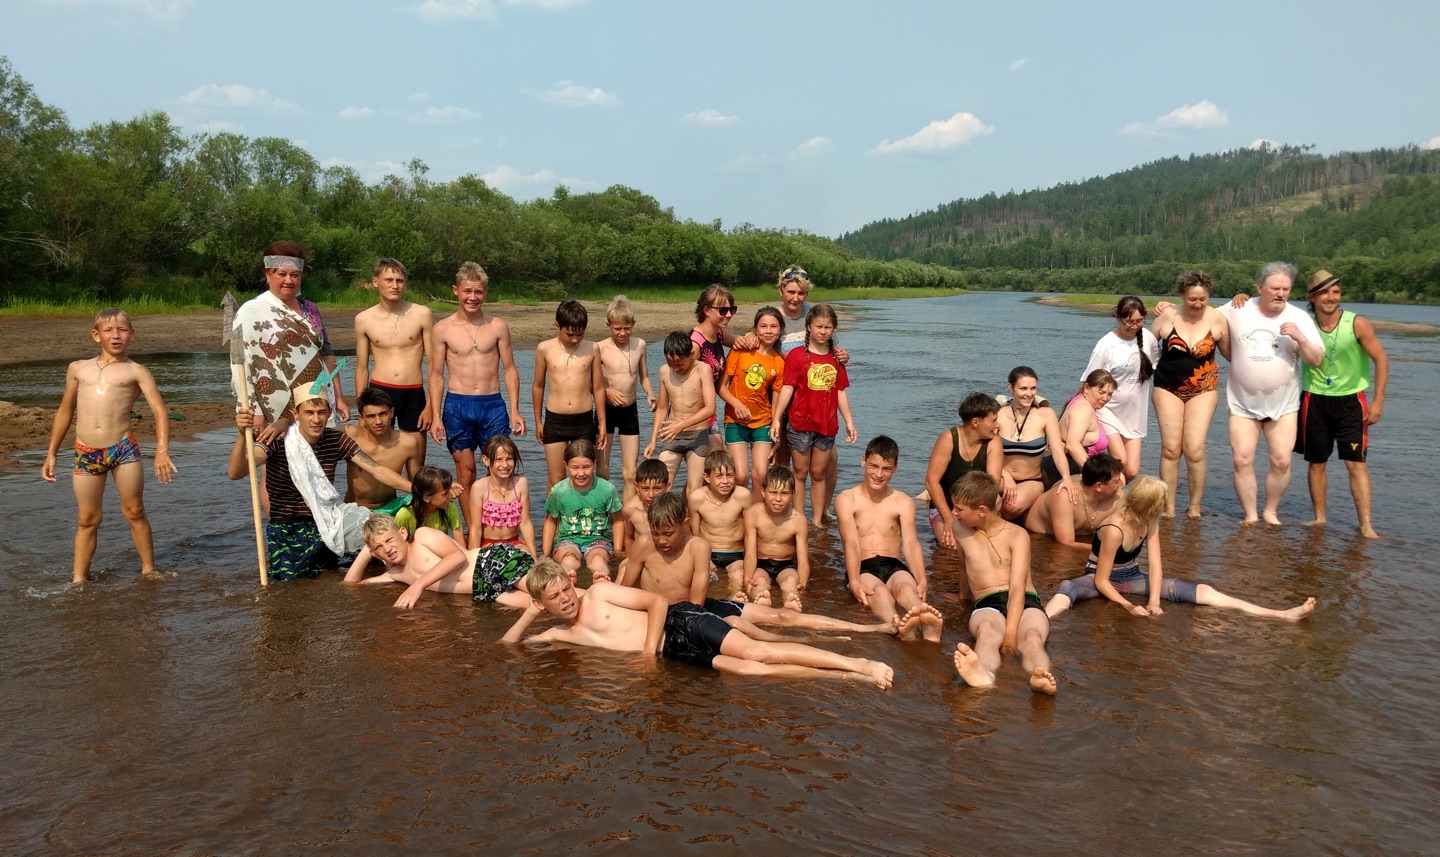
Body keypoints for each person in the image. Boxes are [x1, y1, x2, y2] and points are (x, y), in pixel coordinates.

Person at [500, 560, 895, 689]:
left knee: (759, 650)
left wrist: (647, 650)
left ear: (572, 581)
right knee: (749, 670)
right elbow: (507, 646)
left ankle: (856, 662)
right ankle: (849, 678)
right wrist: (532, 612)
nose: (565, 599)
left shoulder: (599, 595)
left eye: (564, 589)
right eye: (552, 599)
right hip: (672, 653)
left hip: (680, 623)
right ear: (543, 603)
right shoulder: (557, 632)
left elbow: (656, 601)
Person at [1232, 270, 1388, 537]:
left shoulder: (1356, 323)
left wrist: (1378, 401)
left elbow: (1381, 360)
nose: (1331, 297)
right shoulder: (1304, 320)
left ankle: (1366, 525)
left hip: (1351, 400)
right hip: (1313, 399)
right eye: (1325, 293)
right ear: (1312, 297)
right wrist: (1244, 299)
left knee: (1355, 463)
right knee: (1316, 462)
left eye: (1336, 292)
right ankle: (1320, 519)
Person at [1045, 476, 1317, 621]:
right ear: (1148, 504)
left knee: (1202, 591)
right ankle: (1040, 620)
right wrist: (1129, 608)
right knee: (1068, 589)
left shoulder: (1150, 520)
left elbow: (1157, 564)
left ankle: (1279, 615)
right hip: (1101, 579)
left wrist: (1153, 602)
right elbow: (1102, 581)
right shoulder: (1113, 529)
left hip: (1132, 577)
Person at [628, 492, 897, 636]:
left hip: (697, 611)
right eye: (656, 533)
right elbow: (626, 590)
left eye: (668, 533)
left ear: (684, 526)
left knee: (783, 616)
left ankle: (869, 628)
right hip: (670, 617)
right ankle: (805, 640)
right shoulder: (643, 545)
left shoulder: (697, 546)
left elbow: (697, 603)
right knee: (742, 627)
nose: (661, 540)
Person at [42, 308, 177, 585]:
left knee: (134, 511)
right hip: (85, 451)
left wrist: (161, 451)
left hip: (123, 449)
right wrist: (51, 453)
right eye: (108, 330)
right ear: (96, 335)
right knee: (87, 519)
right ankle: (79, 580)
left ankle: (148, 571)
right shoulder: (78, 369)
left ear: (132, 335)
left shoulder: (136, 371)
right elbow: (65, 411)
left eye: (122, 330)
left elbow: (160, 412)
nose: (116, 335)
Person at [229, 385, 412, 581]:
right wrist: (242, 435)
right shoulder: (278, 439)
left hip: (327, 521)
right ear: (296, 413)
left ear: (329, 413)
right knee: (292, 584)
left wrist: (418, 490)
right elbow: (236, 472)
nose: (316, 420)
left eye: (321, 412)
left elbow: (377, 469)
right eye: (309, 413)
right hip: (288, 527)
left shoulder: (335, 439)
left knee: (378, 539)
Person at [1217, 262, 1323, 524]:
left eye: (1286, 289)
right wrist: (1167, 308)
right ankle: (1251, 515)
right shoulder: (1238, 307)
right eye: (1275, 288)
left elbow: (1316, 359)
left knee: (1282, 461)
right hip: (1242, 402)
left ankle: (1270, 511)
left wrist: (1300, 337)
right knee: (1242, 459)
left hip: (1284, 404)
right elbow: (1202, 315)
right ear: (1259, 287)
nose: (1281, 293)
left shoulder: (1300, 317)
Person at [947, 473, 1056, 694]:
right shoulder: (959, 528)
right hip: (988, 601)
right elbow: (963, 566)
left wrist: (1010, 634)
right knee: (987, 633)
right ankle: (983, 673)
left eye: (959, 509)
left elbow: (1017, 586)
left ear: (982, 511)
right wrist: (963, 602)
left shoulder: (1017, 534)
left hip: (1025, 600)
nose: (953, 512)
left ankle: (1040, 676)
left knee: (1032, 639)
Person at [430, 261, 526, 511]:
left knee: (500, 466)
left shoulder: (497, 326)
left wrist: (515, 410)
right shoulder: (442, 329)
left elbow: (510, 369)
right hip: (457, 406)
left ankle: (498, 524)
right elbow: (436, 375)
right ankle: (473, 528)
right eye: (467, 291)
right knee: (466, 472)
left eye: (478, 292)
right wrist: (435, 417)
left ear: (485, 292)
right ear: (456, 290)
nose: (473, 297)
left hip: (492, 404)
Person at [232, 241, 348, 444]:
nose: (288, 280)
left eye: (294, 275)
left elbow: (327, 354)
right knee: (278, 463)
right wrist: (253, 411)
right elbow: (240, 365)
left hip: (317, 398)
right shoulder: (250, 312)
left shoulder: (310, 309)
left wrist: (338, 398)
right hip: (274, 404)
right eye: (281, 274)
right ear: (267, 274)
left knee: (322, 457)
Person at [836, 436, 944, 643]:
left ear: (895, 469)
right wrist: (854, 581)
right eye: (873, 466)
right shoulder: (847, 499)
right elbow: (851, 543)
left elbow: (911, 543)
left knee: (907, 589)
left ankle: (925, 621)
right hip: (863, 566)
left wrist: (922, 580)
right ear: (863, 461)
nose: (878, 474)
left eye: (886, 469)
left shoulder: (902, 501)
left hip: (894, 564)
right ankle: (897, 625)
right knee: (880, 593)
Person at [1150, 271, 1229, 518]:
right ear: (1182, 295)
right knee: (1171, 449)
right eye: (1192, 299)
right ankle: (1169, 508)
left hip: (1203, 390)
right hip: (1166, 388)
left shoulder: (1217, 318)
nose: (1197, 304)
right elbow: (1144, 349)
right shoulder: (1167, 315)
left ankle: (1195, 508)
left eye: (1202, 299)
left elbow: (1232, 355)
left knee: (1194, 449)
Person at [770, 304, 856, 527]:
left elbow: (840, 392)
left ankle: (817, 521)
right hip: (800, 423)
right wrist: (777, 419)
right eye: (819, 326)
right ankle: (799, 517)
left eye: (828, 327)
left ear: (833, 329)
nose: (823, 331)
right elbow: (787, 388)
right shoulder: (797, 356)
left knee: (818, 474)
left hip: (826, 426)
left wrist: (849, 422)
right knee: (800, 472)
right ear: (809, 327)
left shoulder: (837, 359)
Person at [345, 513, 532, 610]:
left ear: (402, 533)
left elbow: (457, 556)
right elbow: (351, 585)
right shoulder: (396, 574)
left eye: (389, 540)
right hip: (482, 590)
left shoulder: (421, 536)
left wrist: (417, 585)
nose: (387, 549)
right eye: (379, 548)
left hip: (490, 562)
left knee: (546, 591)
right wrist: (365, 552)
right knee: (540, 607)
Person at [353, 258, 436, 451]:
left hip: (413, 391)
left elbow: (434, 365)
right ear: (376, 282)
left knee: (415, 454)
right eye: (388, 280)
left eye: (399, 281)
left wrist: (431, 405)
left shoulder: (422, 314)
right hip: (379, 390)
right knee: (379, 454)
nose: (394, 285)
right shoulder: (364, 319)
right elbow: (362, 368)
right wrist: (361, 411)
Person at [1082, 296, 1159, 481]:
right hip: (1107, 410)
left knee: (1131, 471)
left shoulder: (1147, 338)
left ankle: (1109, 494)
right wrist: (1079, 408)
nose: (1134, 326)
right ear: (1118, 318)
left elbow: (1157, 363)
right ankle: (1107, 501)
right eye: (1129, 321)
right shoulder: (1106, 344)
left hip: (1134, 413)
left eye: (1139, 321)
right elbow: (1089, 381)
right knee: (1119, 460)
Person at [532, 299, 606, 490]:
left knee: (584, 477)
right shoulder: (544, 348)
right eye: (570, 334)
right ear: (557, 325)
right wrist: (538, 421)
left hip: (584, 420)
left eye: (580, 334)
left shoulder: (592, 348)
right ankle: (552, 520)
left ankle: (582, 518)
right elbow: (538, 386)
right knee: (556, 479)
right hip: (555, 420)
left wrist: (602, 423)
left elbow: (598, 387)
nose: (575, 339)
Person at [924, 392, 1006, 549]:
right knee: (954, 546)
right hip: (947, 508)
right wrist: (949, 519)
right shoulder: (949, 439)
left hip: (979, 508)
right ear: (975, 422)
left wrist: (975, 518)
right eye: (993, 421)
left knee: (988, 544)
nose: (997, 425)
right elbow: (931, 481)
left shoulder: (993, 442)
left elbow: (992, 485)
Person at [595, 295, 654, 503]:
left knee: (630, 472)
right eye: (617, 328)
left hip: (630, 409)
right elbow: (591, 384)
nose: (622, 333)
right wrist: (607, 391)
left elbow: (644, 377)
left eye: (627, 328)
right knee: (603, 469)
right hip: (606, 410)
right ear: (608, 325)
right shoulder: (600, 348)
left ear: (633, 324)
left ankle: (628, 515)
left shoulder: (640, 345)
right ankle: (604, 512)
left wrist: (650, 393)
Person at [719, 306, 785, 490]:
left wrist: (776, 425)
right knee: (740, 475)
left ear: (780, 330)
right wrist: (736, 403)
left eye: (774, 326)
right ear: (755, 329)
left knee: (761, 475)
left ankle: (754, 515)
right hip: (734, 420)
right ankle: (737, 515)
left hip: (763, 421)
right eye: (763, 326)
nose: (769, 331)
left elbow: (777, 398)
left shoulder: (779, 363)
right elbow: (720, 386)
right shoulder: (741, 351)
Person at [645, 331, 715, 498]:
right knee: (660, 485)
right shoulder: (664, 372)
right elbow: (662, 408)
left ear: (691, 354)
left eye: (679, 364)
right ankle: (660, 523)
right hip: (671, 436)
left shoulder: (703, 370)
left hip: (697, 435)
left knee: (694, 490)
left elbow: (710, 408)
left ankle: (691, 524)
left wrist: (681, 424)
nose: (676, 368)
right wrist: (653, 440)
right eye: (671, 364)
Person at [995, 366, 1071, 521]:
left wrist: (1066, 478)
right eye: (1023, 388)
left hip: (1031, 480)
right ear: (1011, 388)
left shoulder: (1045, 415)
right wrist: (1005, 475)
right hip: (1001, 477)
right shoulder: (999, 414)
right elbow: (986, 451)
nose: (1029, 394)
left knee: (1011, 506)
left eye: (1033, 388)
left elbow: (1057, 451)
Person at [542, 439, 623, 583]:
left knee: (598, 561)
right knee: (569, 561)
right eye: (575, 468)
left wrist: (617, 550)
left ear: (594, 464)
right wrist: (545, 554)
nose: (580, 473)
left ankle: (601, 581)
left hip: (598, 541)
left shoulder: (607, 489)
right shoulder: (558, 491)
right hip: (567, 540)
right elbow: (550, 521)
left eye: (586, 467)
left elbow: (617, 520)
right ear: (566, 466)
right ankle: (568, 582)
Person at [344, 387, 424, 515]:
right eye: (371, 416)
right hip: (356, 510)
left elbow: (417, 481)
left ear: (392, 412)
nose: (378, 422)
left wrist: (440, 488)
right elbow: (317, 433)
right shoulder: (351, 435)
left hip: (392, 507)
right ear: (361, 417)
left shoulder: (408, 443)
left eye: (383, 414)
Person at [742, 465, 810, 611]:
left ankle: (791, 600)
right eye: (773, 492)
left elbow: (803, 558)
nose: (778, 499)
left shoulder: (798, 520)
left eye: (784, 493)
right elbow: (750, 552)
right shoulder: (753, 513)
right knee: (759, 581)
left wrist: (803, 581)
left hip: (786, 564)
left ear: (793, 494)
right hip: (761, 563)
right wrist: (747, 576)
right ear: (763, 492)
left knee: (791, 581)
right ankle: (761, 599)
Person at [687, 450, 752, 600]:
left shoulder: (742, 496)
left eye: (729, 475)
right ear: (707, 477)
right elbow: (695, 534)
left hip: (735, 554)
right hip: (708, 553)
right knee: (700, 580)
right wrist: (704, 561)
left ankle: (734, 599)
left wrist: (749, 562)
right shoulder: (697, 498)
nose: (725, 481)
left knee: (738, 576)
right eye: (719, 476)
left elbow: (750, 533)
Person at [1025, 455, 1126, 549]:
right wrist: (1106, 550)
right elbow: (1065, 543)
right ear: (1099, 486)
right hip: (1040, 539)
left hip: (1082, 538)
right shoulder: (1065, 498)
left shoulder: (1118, 497)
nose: (1121, 484)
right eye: (1116, 482)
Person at [466, 435, 537, 556]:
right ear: (486, 460)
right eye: (498, 459)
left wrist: (534, 556)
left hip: (514, 543)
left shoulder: (521, 483)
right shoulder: (479, 487)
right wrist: (472, 559)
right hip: (488, 545)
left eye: (509, 459)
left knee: (527, 559)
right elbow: (475, 529)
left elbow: (525, 523)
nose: (505, 465)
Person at [616, 458, 673, 586]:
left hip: (666, 556)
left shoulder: (674, 509)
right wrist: (630, 560)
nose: (651, 494)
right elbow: (629, 537)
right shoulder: (630, 510)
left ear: (667, 486)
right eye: (645, 488)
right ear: (636, 486)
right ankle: (614, 598)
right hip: (640, 556)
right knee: (623, 569)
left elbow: (685, 537)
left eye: (657, 488)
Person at [1054, 370, 1116, 481]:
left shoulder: (1078, 400)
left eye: (1109, 394)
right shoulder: (1084, 409)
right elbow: (1072, 444)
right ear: (1087, 388)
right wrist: (1095, 474)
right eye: (1101, 392)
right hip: (1070, 467)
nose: (1106, 398)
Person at [394, 466, 465, 548]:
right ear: (427, 498)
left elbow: (461, 544)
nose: (450, 496)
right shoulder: (404, 514)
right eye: (445, 494)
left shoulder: (449, 507)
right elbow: (397, 546)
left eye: (449, 491)